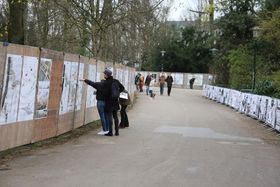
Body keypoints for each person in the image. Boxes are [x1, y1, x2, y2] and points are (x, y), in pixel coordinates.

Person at [103, 69, 125, 136]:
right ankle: (117, 132)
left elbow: (105, 92)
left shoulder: (106, 82)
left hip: (109, 101)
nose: (104, 75)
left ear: (107, 75)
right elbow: (122, 87)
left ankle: (110, 132)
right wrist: (117, 93)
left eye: (104, 74)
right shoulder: (116, 81)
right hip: (115, 100)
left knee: (110, 116)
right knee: (115, 116)